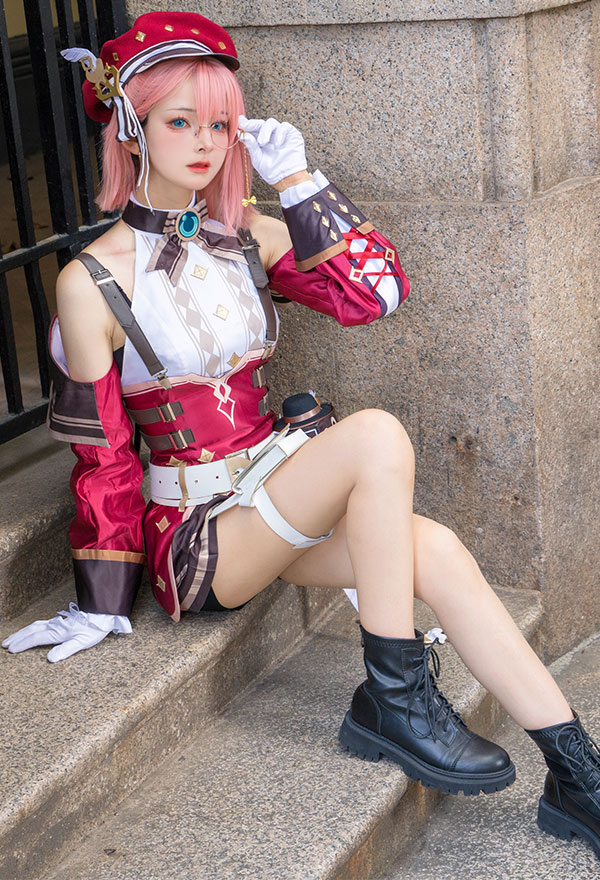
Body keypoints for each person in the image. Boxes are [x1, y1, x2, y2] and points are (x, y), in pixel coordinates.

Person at [2, 10, 599, 860]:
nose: (205, 143)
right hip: (204, 539)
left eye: (220, 123)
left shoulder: (245, 232)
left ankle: (579, 778)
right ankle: (396, 700)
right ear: (131, 129)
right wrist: (100, 599)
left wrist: (300, 180)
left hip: (277, 492)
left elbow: (376, 296)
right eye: (180, 121)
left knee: (437, 550)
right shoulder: (90, 279)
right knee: (377, 435)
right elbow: (103, 457)